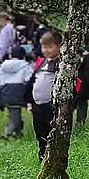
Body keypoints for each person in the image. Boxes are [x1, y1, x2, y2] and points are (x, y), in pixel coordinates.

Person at [30, 30, 62, 160]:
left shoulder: (61, 64)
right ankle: (42, 156)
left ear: (59, 46)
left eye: (50, 47)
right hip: (37, 105)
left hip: (51, 106)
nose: (47, 50)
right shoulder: (40, 62)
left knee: (51, 133)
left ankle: (52, 157)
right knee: (40, 133)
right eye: (44, 47)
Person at [0, 45, 33, 139]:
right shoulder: (25, 66)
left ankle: (18, 134)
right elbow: (30, 81)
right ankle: (7, 133)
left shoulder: (2, 67)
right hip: (18, 94)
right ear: (23, 55)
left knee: (13, 113)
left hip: (4, 93)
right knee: (15, 115)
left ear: (10, 55)